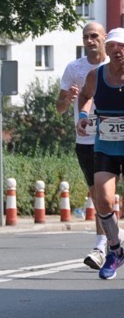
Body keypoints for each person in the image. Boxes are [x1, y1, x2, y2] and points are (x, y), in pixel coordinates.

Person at [56, 22, 109, 269]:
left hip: (116, 137)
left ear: (104, 37)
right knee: (98, 195)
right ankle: (103, 245)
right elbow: (59, 108)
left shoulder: (115, 65)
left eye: (94, 36)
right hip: (87, 139)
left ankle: (107, 243)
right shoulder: (74, 68)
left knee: (106, 194)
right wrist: (67, 99)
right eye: (86, 37)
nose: (90, 41)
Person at [76, 27, 124, 279]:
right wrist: (83, 115)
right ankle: (115, 250)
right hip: (106, 144)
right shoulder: (96, 75)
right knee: (103, 199)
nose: (117, 51)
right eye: (113, 46)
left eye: (122, 47)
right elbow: (85, 95)